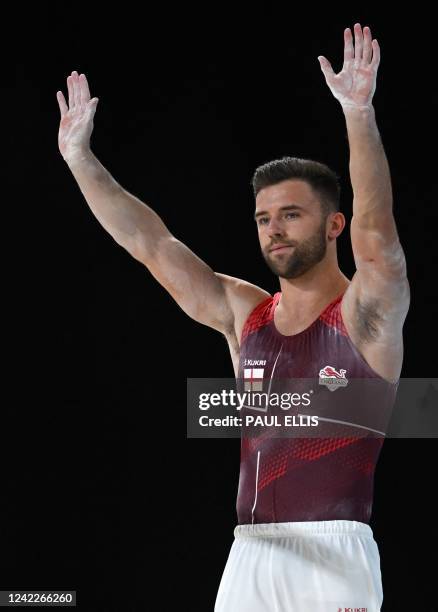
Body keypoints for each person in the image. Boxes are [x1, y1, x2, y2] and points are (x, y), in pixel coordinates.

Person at [56, 22, 410, 612]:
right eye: (264, 217)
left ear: (333, 225)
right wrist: (79, 160)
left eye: (292, 214)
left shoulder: (363, 315)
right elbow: (153, 245)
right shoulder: (246, 314)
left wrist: (358, 113)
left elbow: (379, 242)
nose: (274, 229)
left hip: (333, 558)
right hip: (248, 555)